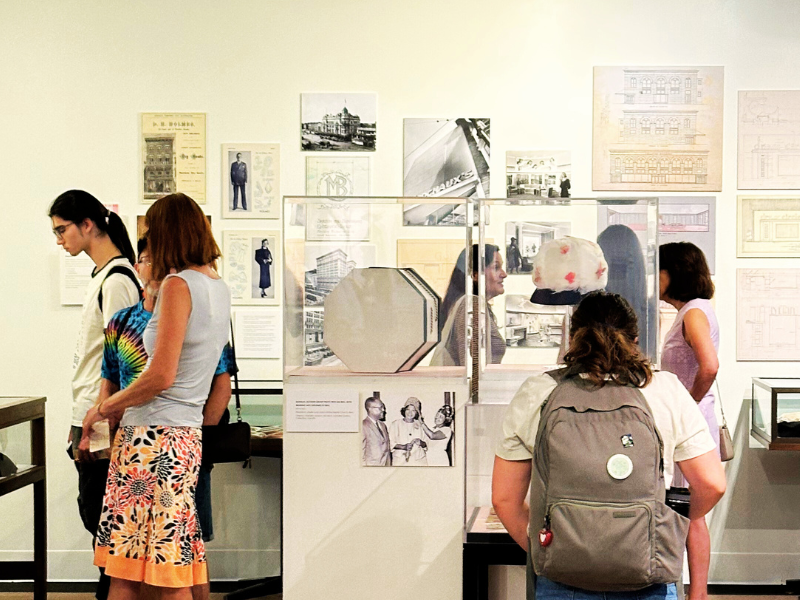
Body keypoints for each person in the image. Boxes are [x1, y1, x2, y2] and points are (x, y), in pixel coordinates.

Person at [492, 292, 726, 600]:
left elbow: (504, 499)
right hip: (647, 576)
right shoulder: (666, 390)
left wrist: (550, 549)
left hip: (562, 582)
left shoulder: (538, 392)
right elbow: (712, 484)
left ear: (572, 338)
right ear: (635, 340)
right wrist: (662, 530)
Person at [81, 192, 231, 599]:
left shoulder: (179, 285)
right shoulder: (217, 286)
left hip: (152, 439)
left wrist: (104, 408)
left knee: (133, 568)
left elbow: (160, 375)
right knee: (172, 560)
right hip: (184, 437)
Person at [49, 189, 141, 600]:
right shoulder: (105, 276)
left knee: (104, 520)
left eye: (62, 229)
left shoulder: (118, 280)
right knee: (98, 517)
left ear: (87, 224)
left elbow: (122, 363)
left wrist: (101, 418)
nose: (59, 239)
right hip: (90, 412)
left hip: (101, 417)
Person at [659, 242, 720, 600]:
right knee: (689, 512)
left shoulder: (694, 313)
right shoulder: (692, 311)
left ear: (675, 273)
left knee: (689, 512)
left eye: (660, 271)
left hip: (690, 427)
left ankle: (696, 594)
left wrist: (688, 404)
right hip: (689, 423)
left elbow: (709, 366)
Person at [433, 244, 507, 368]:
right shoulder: (472, 306)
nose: (504, 274)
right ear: (475, 275)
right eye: (496, 267)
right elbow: (472, 369)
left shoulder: (474, 305)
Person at [388, 397, 443, 467]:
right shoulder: (395, 424)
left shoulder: (421, 425)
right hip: (400, 460)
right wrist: (403, 447)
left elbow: (426, 444)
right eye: (408, 409)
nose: (410, 413)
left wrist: (421, 443)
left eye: (413, 410)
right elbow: (390, 443)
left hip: (418, 461)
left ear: (417, 412)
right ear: (404, 410)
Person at [362, 396, 391, 466]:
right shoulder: (363, 426)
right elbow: (360, 452)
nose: (383, 410)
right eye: (380, 407)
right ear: (370, 409)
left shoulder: (383, 425)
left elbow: (387, 450)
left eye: (383, 407)